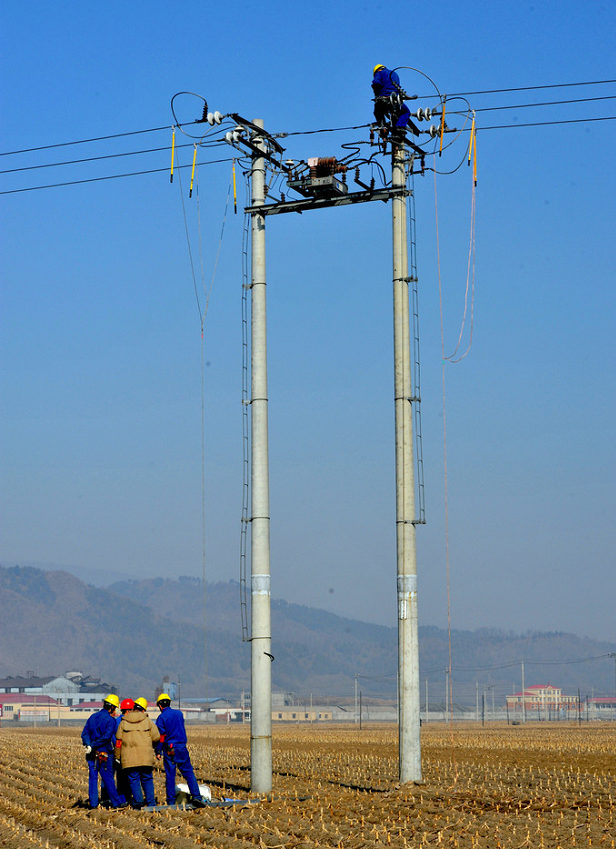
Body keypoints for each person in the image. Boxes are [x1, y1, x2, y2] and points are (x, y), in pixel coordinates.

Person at [155, 693, 206, 807]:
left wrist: (158, 751)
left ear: (160, 705)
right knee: (188, 772)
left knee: (170, 775)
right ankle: (196, 797)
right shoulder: (179, 714)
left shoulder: (161, 717)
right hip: (182, 747)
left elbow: (161, 736)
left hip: (170, 749)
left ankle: (171, 802)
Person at [81, 694, 124, 809]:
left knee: (93, 778)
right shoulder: (111, 720)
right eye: (115, 708)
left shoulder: (93, 717)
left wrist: (89, 745)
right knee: (108, 778)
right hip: (103, 753)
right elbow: (107, 737)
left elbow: (84, 733)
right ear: (111, 708)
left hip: (91, 753)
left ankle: (94, 804)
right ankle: (116, 804)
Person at [115, 700, 160, 808]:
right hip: (146, 757)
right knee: (147, 779)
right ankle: (151, 804)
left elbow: (118, 742)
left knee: (134, 779)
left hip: (129, 759)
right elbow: (156, 737)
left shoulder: (123, 722)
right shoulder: (148, 721)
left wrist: (117, 756)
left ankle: (138, 802)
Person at [371, 64, 414, 136]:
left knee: (377, 111)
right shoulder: (394, 74)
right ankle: (400, 127)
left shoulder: (379, 73)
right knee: (406, 112)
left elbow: (376, 82)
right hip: (395, 100)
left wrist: (376, 93)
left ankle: (383, 127)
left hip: (384, 98)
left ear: (378, 70)